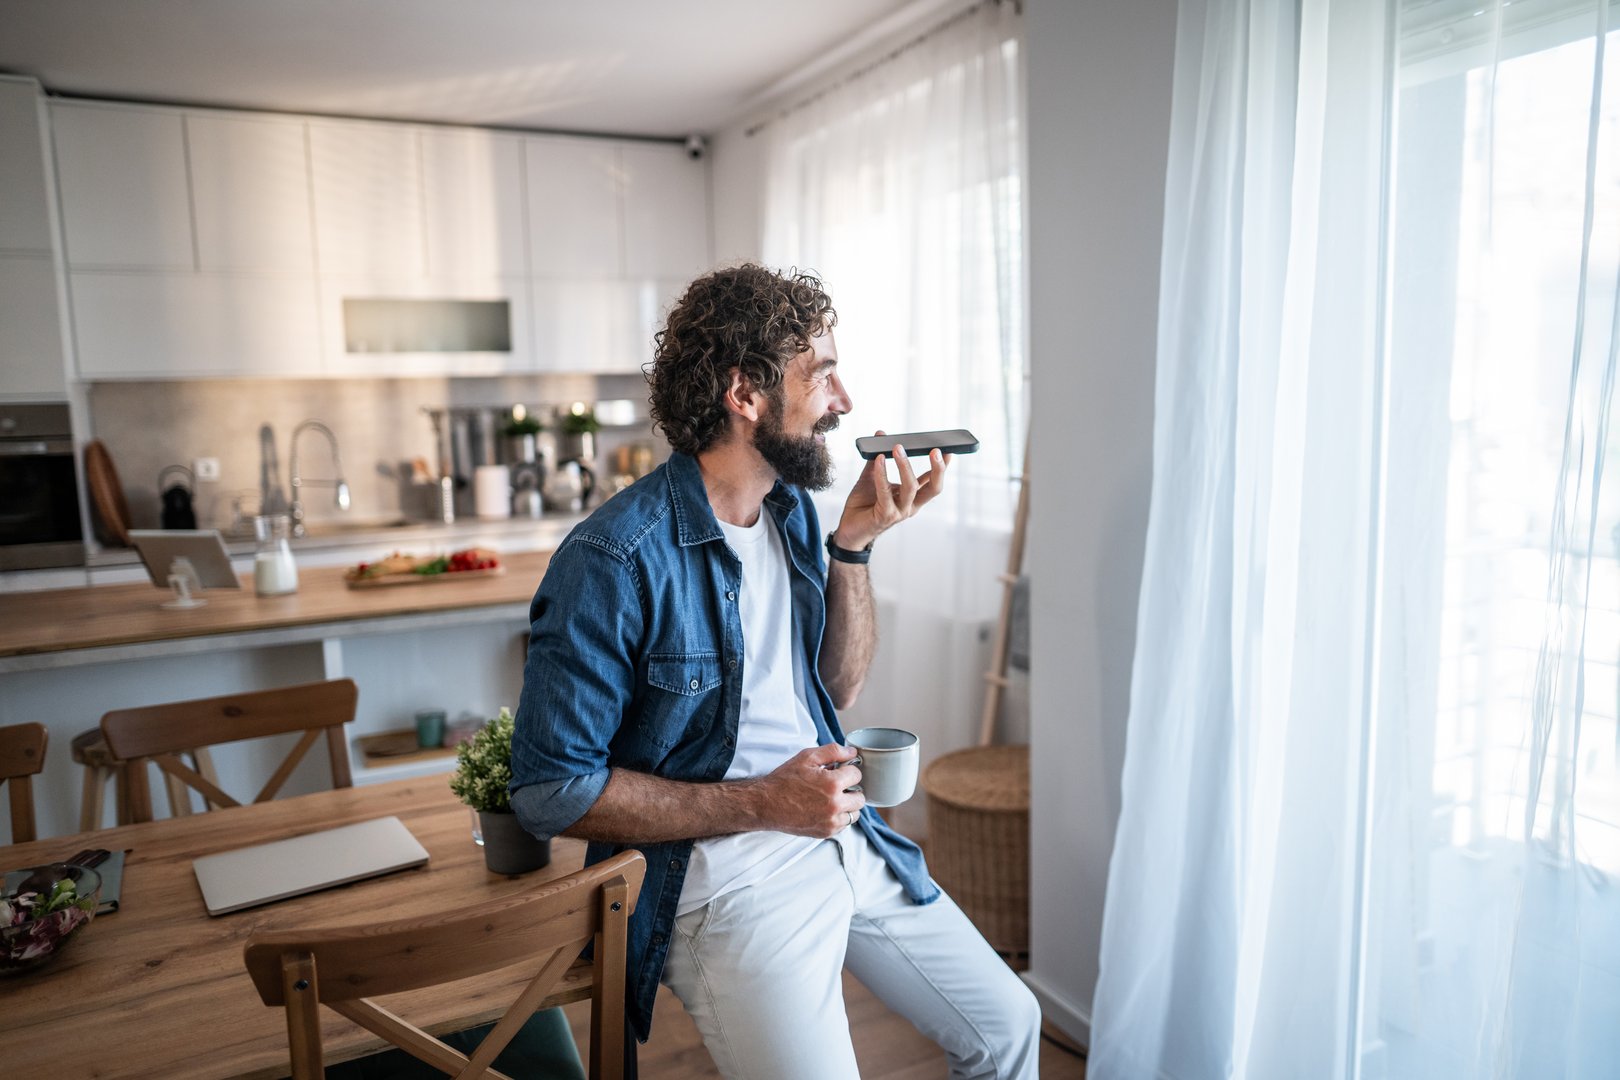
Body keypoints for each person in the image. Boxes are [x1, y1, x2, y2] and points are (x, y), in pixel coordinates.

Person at [510, 263, 1041, 1079]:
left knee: (1009, 1025)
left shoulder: (791, 513)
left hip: (843, 836)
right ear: (745, 395)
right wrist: (765, 801)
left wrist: (853, 545)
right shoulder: (612, 559)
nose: (845, 402)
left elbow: (835, 693)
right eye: (822, 375)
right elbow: (550, 791)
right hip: (724, 885)